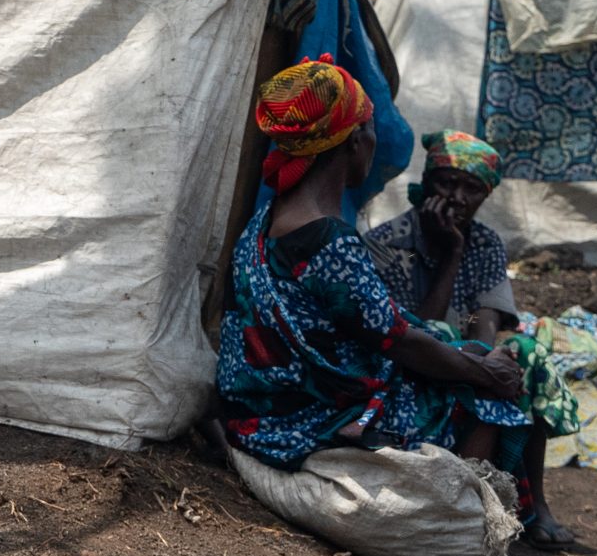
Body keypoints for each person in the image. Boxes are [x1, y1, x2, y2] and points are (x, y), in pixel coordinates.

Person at [215, 58, 527, 483]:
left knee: (468, 354)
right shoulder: (332, 242)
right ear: (356, 141)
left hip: (265, 403)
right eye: (373, 128)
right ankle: (468, 513)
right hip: (299, 422)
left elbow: (398, 328)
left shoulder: (270, 217)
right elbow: (399, 341)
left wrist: (470, 354)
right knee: (489, 397)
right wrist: (481, 370)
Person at [362, 129, 580, 546]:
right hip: (411, 365)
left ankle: (534, 505)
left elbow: (484, 327)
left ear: (485, 196)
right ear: (427, 183)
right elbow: (413, 334)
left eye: (472, 188)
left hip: (465, 359)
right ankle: (464, 507)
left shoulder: (485, 244)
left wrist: (482, 354)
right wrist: (450, 257)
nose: (458, 197)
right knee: (453, 342)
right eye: (447, 183)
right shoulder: (388, 244)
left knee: (524, 354)